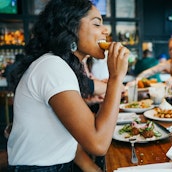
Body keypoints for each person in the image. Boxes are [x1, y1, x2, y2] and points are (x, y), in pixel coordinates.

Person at [7, 0, 129, 171]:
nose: (106, 30)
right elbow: (98, 143)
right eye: (96, 24)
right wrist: (116, 78)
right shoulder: (52, 66)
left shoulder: (61, 66)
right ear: (71, 27)